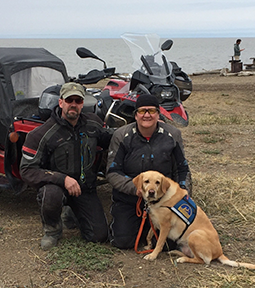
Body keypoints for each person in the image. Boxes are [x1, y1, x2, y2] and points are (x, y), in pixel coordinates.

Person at [20, 82, 112, 250]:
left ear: (82, 104)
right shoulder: (41, 134)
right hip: (57, 187)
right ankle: (52, 230)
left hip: (85, 188)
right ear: (61, 102)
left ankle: (72, 213)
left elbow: (111, 139)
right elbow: (27, 171)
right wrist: (62, 179)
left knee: (99, 236)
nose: (74, 104)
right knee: (51, 194)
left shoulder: (94, 124)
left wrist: (138, 129)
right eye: (70, 100)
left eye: (78, 101)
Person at [106, 94, 191, 249]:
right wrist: (135, 189)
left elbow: (182, 168)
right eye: (142, 111)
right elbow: (113, 172)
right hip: (132, 199)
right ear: (136, 115)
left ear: (158, 114)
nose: (147, 115)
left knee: (169, 245)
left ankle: (152, 228)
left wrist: (183, 194)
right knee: (123, 242)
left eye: (151, 111)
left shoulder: (173, 135)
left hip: (164, 200)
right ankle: (132, 223)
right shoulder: (121, 135)